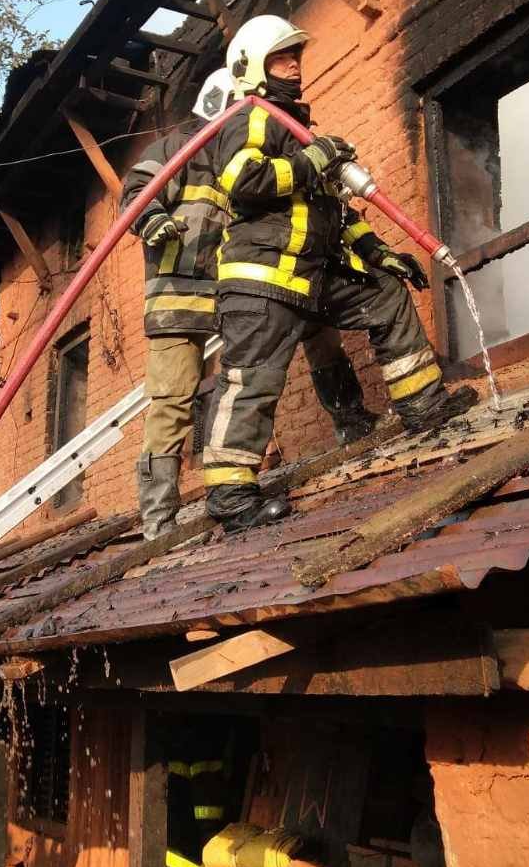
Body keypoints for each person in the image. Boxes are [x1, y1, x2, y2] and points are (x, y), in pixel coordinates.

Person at [200, 15, 475, 532]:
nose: (294, 66)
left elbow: (337, 213)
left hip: (312, 276)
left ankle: (422, 405)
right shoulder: (252, 116)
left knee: (386, 293)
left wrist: (378, 252)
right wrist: (314, 158)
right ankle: (231, 496)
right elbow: (245, 179)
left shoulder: (298, 129)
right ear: (254, 68)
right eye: (282, 58)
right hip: (263, 278)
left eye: (297, 56)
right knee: (253, 380)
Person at [122, 70, 380, 540]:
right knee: (174, 399)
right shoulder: (176, 149)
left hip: (248, 287)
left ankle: (351, 421)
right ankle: (159, 519)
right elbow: (136, 194)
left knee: (319, 331)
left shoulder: (254, 149)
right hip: (182, 295)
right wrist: (153, 220)